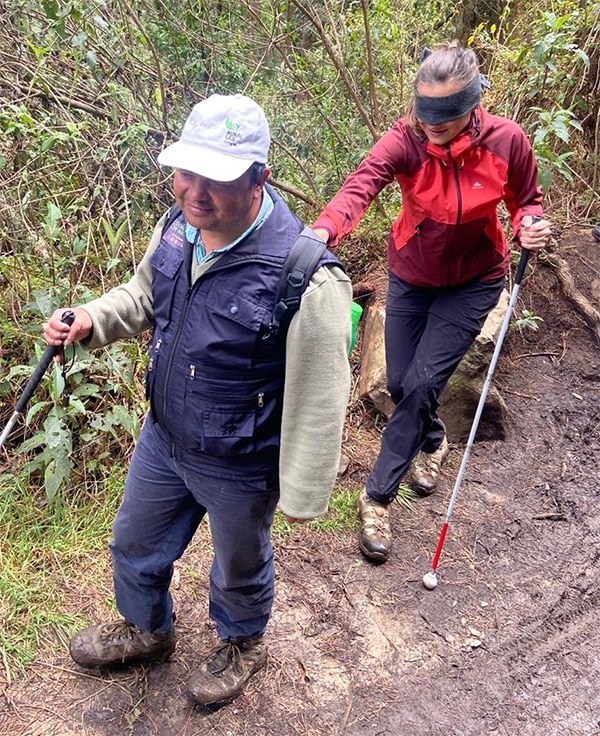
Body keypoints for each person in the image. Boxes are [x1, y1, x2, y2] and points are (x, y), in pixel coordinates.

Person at [43, 94, 352, 707]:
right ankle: (147, 627)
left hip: (241, 459)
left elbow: (322, 395)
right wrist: (90, 320)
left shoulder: (305, 274)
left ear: (259, 178)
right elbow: (143, 296)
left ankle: (242, 642)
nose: (196, 193)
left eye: (217, 179)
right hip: (166, 437)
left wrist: (303, 492)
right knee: (134, 541)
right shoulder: (177, 230)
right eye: (187, 173)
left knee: (238, 566)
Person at [312, 41, 552, 563]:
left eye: (444, 115)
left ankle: (376, 498)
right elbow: (362, 184)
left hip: (474, 281)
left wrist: (529, 224)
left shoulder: (507, 141)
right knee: (401, 383)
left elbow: (526, 199)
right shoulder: (405, 141)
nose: (432, 124)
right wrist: (323, 231)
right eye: (425, 113)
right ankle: (434, 438)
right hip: (413, 275)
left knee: (421, 383)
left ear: (472, 104)